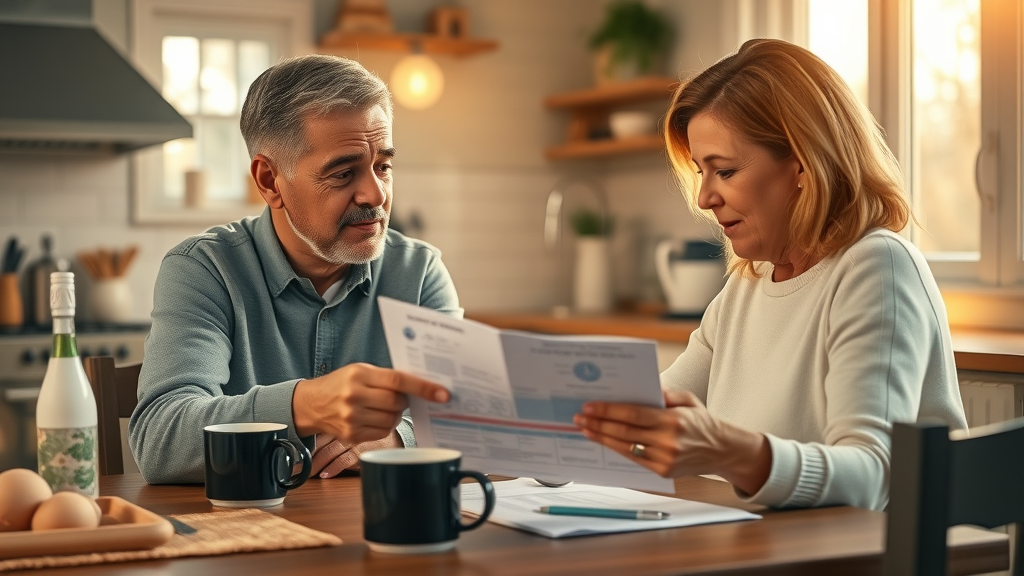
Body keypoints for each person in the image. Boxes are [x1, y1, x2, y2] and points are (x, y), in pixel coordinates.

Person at [573, 38, 967, 511]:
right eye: (701, 172)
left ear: (802, 164)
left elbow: (872, 477)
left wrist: (728, 450)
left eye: (725, 171)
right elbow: (654, 408)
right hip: (775, 547)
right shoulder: (750, 283)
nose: (704, 198)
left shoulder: (876, 268)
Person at [129, 55, 458, 484]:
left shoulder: (419, 271)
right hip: (245, 535)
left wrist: (399, 439)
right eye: (343, 173)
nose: (375, 195)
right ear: (269, 181)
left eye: (384, 167)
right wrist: (307, 404)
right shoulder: (203, 270)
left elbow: (475, 416)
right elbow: (160, 439)